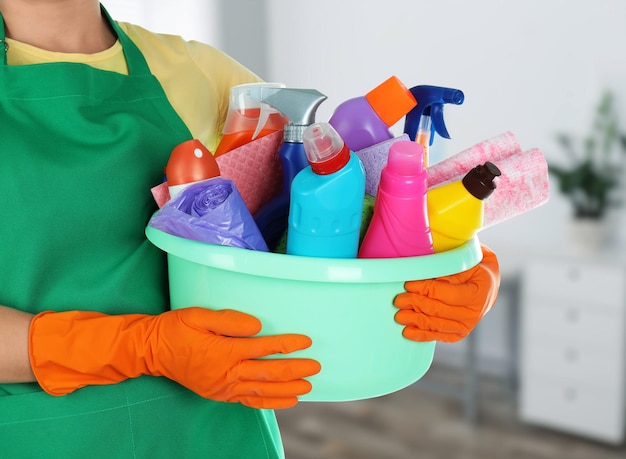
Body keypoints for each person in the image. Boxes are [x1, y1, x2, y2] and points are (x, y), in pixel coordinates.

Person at [0, 1, 500, 457]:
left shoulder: (198, 72)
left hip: (219, 431)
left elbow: (335, 218)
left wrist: (471, 269)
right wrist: (143, 346)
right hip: (47, 435)